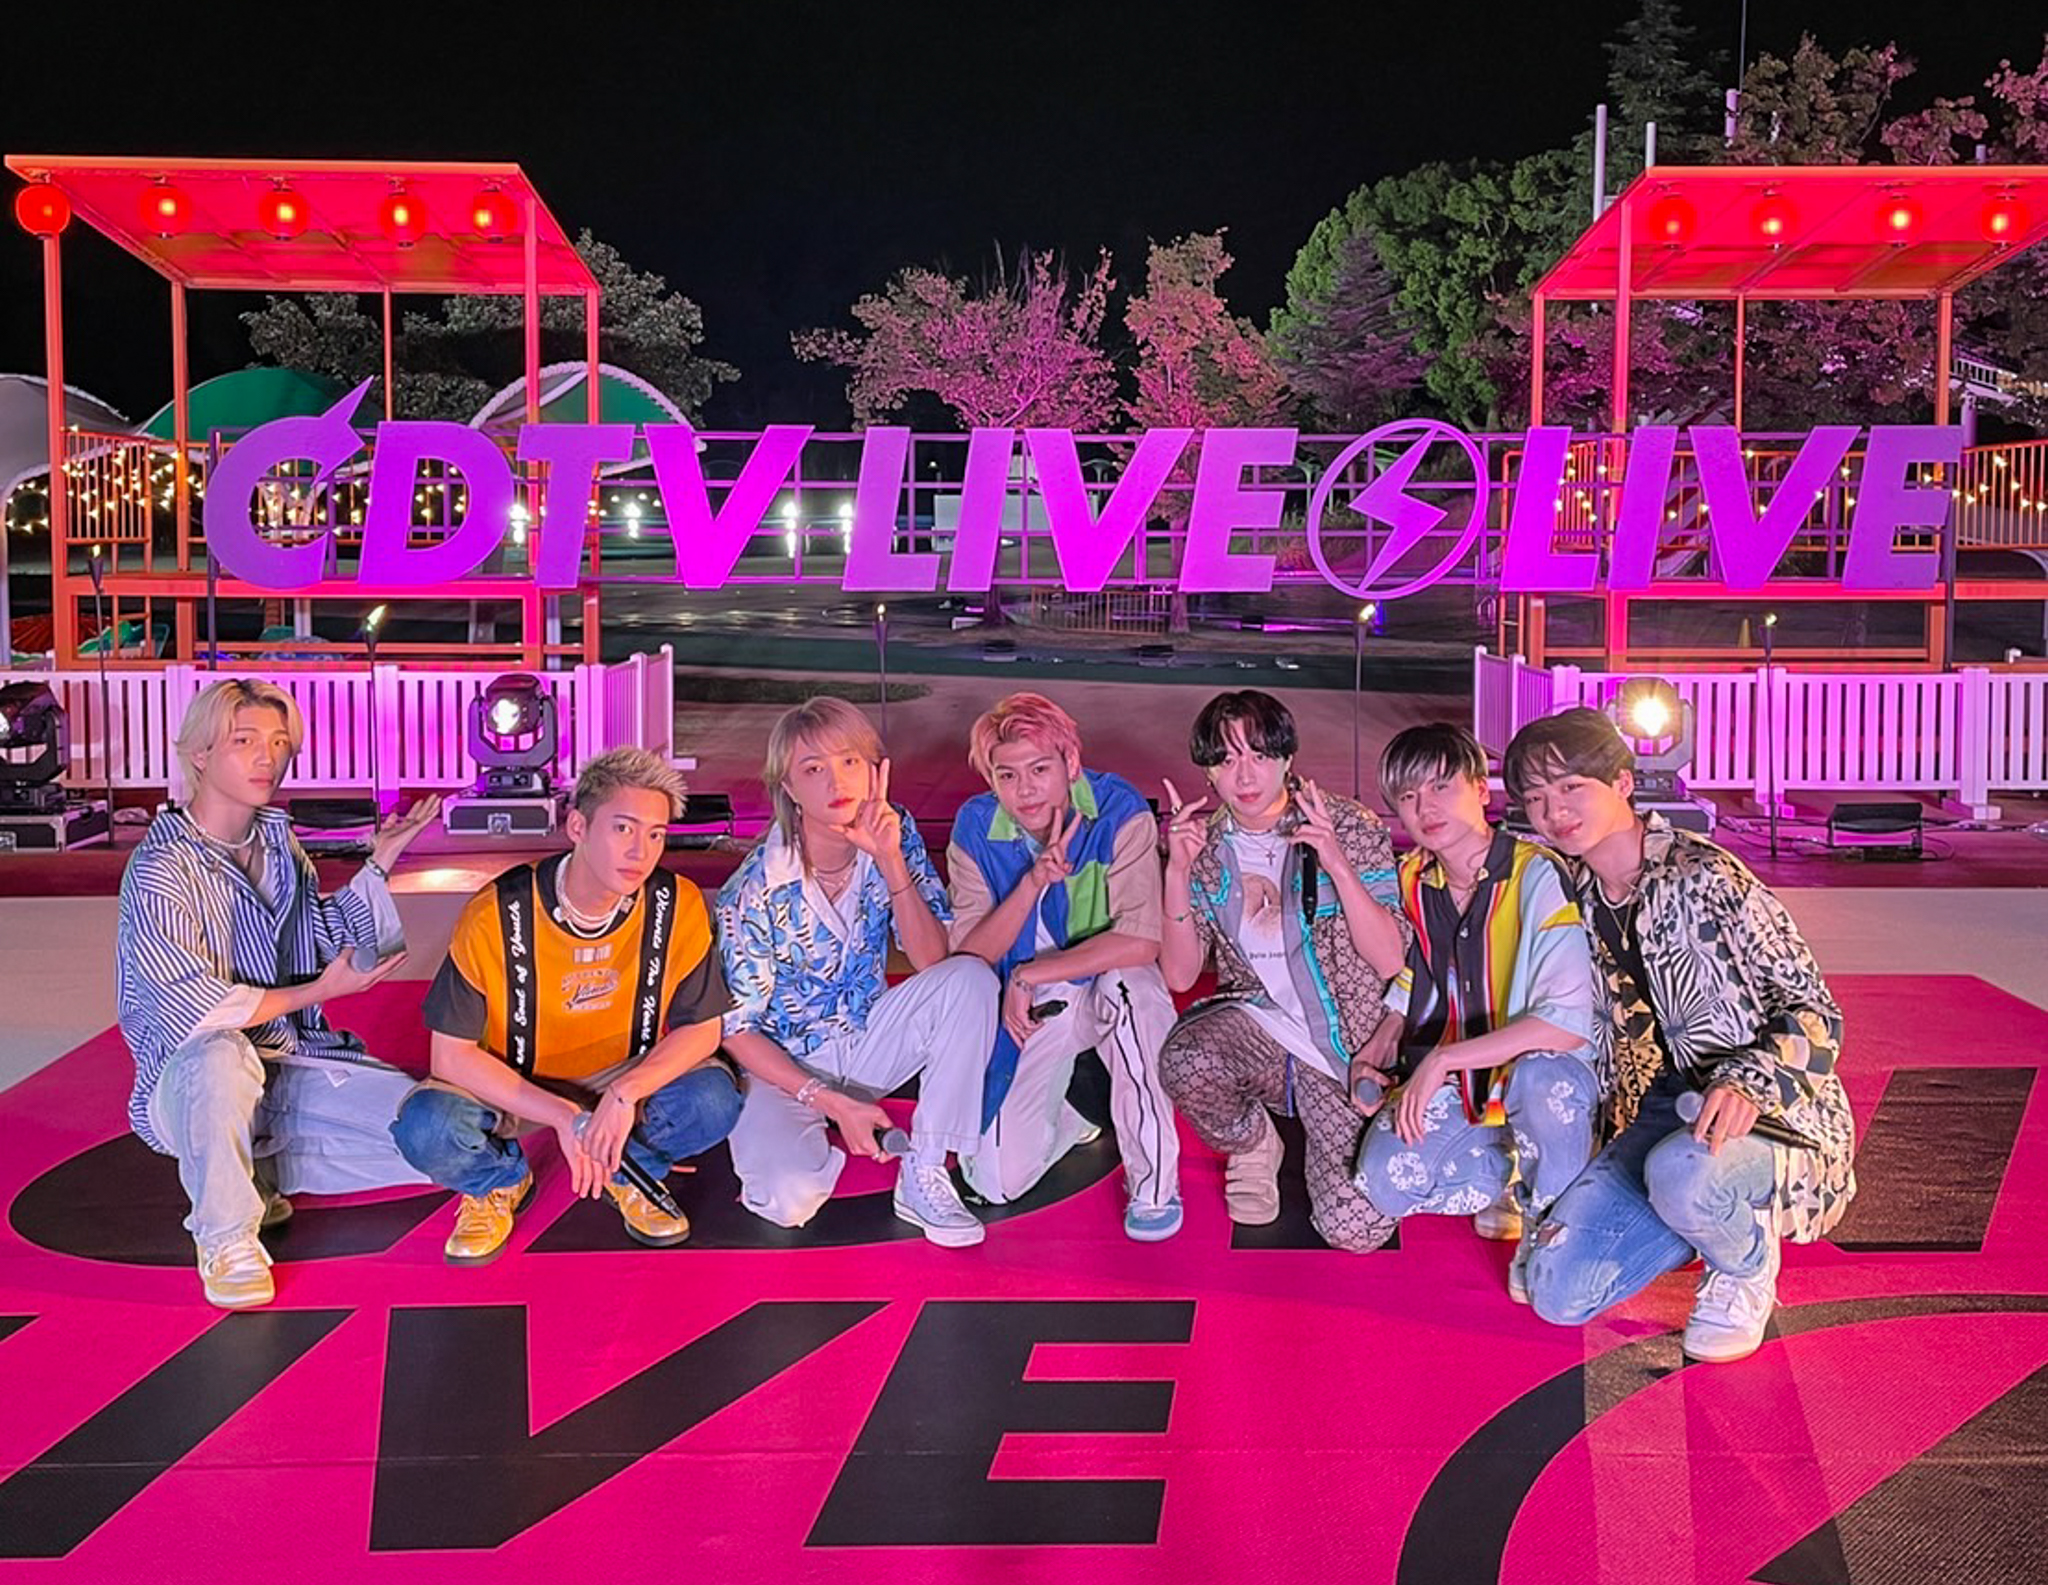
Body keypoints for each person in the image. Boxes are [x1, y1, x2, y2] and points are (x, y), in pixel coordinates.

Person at [1504, 707, 1856, 1362]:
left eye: (1572, 787)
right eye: (1536, 797)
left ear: (1623, 782)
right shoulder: (1571, 893)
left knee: (1682, 1173)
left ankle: (1744, 1263)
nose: (1555, 811)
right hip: (1659, 1112)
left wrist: (1748, 1081)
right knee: (1558, 1294)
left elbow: (1816, 1011)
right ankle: (1693, 1210)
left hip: (1771, 1115)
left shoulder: (1707, 876)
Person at [116, 678, 438, 1308]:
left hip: (290, 1063)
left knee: (447, 1139)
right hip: (191, 1082)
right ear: (200, 753)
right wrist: (320, 990)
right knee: (220, 1055)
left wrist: (379, 863)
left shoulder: (278, 845)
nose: (267, 757)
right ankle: (226, 1235)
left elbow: (316, 938)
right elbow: (196, 1008)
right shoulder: (160, 868)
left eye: (279, 742)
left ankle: (255, 1170)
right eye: (244, 741)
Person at [394, 748, 741, 1261]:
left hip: (620, 1072)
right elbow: (451, 1057)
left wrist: (624, 1094)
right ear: (578, 826)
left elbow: (702, 1029)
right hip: (514, 1080)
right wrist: (563, 1116)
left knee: (713, 1101)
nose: (641, 852)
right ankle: (497, 1183)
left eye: (655, 835)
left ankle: (630, 1169)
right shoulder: (495, 913)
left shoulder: (677, 903)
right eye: (623, 829)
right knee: (427, 1128)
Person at [716, 697, 998, 1246]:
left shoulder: (895, 830)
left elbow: (933, 960)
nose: (836, 781)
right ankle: (815, 1133)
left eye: (849, 761)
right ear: (788, 788)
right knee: (787, 1201)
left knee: (971, 981)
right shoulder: (753, 890)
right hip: (785, 1066)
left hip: (869, 1038)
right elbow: (738, 1030)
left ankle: (924, 1167)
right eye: (812, 769)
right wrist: (825, 1100)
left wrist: (891, 860)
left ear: (874, 770)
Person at [1350, 723, 1605, 1300]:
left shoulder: (1536, 873)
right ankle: (1505, 1169)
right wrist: (1382, 1042)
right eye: (1409, 796)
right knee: (1383, 1181)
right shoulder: (1415, 878)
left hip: (1543, 1072)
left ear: (1481, 790)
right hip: (1466, 1080)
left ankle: (1547, 1218)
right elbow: (1417, 971)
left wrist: (1441, 1061)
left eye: (1441, 786)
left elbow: (1564, 1024)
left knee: (1542, 1083)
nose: (1425, 808)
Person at [1156, 690, 1410, 1252]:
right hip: (1259, 1030)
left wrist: (1336, 863)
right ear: (1208, 772)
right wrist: (1176, 872)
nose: (1245, 775)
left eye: (1260, 755)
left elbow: (1391, 960)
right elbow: (1179, 975)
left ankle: (1333, 1132)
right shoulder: (1205, 845)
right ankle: (1254, 1142)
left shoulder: (1346, 824)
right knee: (1186, 1059)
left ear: (1287, 757)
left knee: (1357, 1230)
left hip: (1345, 1047)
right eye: (1226, 759)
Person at [947, 692, 1182, 1240]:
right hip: (1030, 1008)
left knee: (1131, 990)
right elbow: (971, 954)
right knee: (995, 1182)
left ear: (1070, 762)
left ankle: (1155, 1186)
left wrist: (1030, 973)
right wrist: (1032, 883)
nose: (1025, 789)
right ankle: (1075, 1115)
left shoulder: (1119, 809)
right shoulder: (975, 827)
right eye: (1007, 775)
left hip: (1099, 983)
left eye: (1039, 769)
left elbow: (1140, 942)